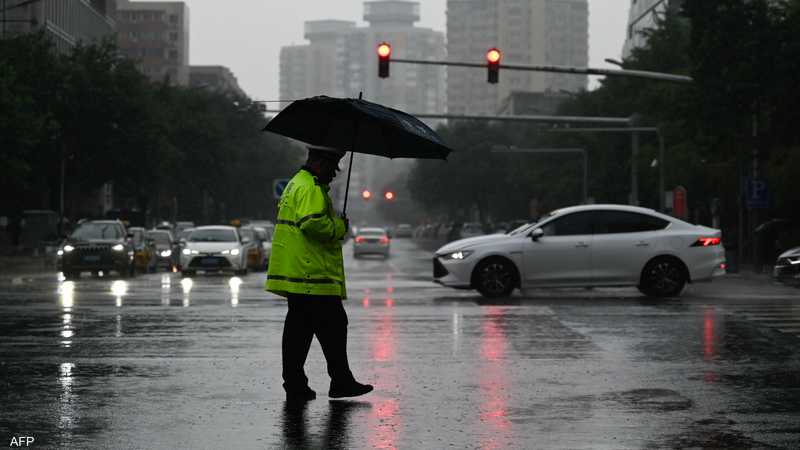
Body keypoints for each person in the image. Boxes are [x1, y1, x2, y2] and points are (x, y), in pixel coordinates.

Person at [266, 146, 373, 402]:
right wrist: (338, 226)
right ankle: (339, 381)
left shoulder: (296, 183)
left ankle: (298, 383)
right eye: (333, 166)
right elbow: (312, 222)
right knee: (334, 324)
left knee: (299, 329)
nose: (335, 173)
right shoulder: (310, 187)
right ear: (321, 162)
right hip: (311, 273)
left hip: (299, 271)